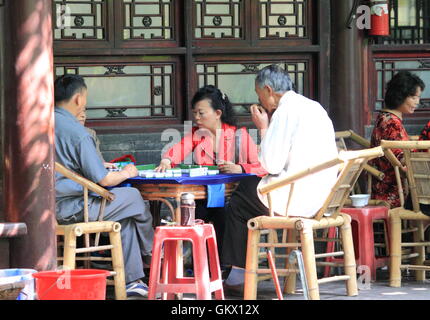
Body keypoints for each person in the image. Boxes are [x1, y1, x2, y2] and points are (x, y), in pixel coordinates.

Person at [221, 64, 339, 295]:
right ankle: (246, 269)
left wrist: (263, 128)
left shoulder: (285, 111)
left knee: (240, 195)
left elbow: (270, 165)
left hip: (296, 196)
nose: (261, 101)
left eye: (259, 95)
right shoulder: (313, 106)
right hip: (322, 196)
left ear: (268, 90)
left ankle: (238, 274)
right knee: (249, 191)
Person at [54, 74, 154, 299]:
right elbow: (104, 181)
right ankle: (154, 254)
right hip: (72, 208)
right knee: (133, 196)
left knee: (124, 218)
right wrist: (128, 171)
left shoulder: (43, 121)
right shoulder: (77, 132)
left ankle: (132, 281)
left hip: (48, 206)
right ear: (79, 99)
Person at [155, 85, 267, 258]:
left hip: (234, 198)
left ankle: (225, 266)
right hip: (205, 197)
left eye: (201, 113)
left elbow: (262, 167)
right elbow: (179, 148)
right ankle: (199, 264)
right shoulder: (197, 134)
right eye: (195, 113)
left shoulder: (240, 135)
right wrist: (167, 160)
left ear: (218, 113)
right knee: (191, 215)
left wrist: (240, 168)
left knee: (224, 215)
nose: (197, 118)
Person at [370, 71, 425, 208]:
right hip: (395, 191)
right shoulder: (391, 123)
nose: (417, 102)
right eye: (413, 97)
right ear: (399, 96)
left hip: (390, 187)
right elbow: (404, 161)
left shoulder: (385, 118)